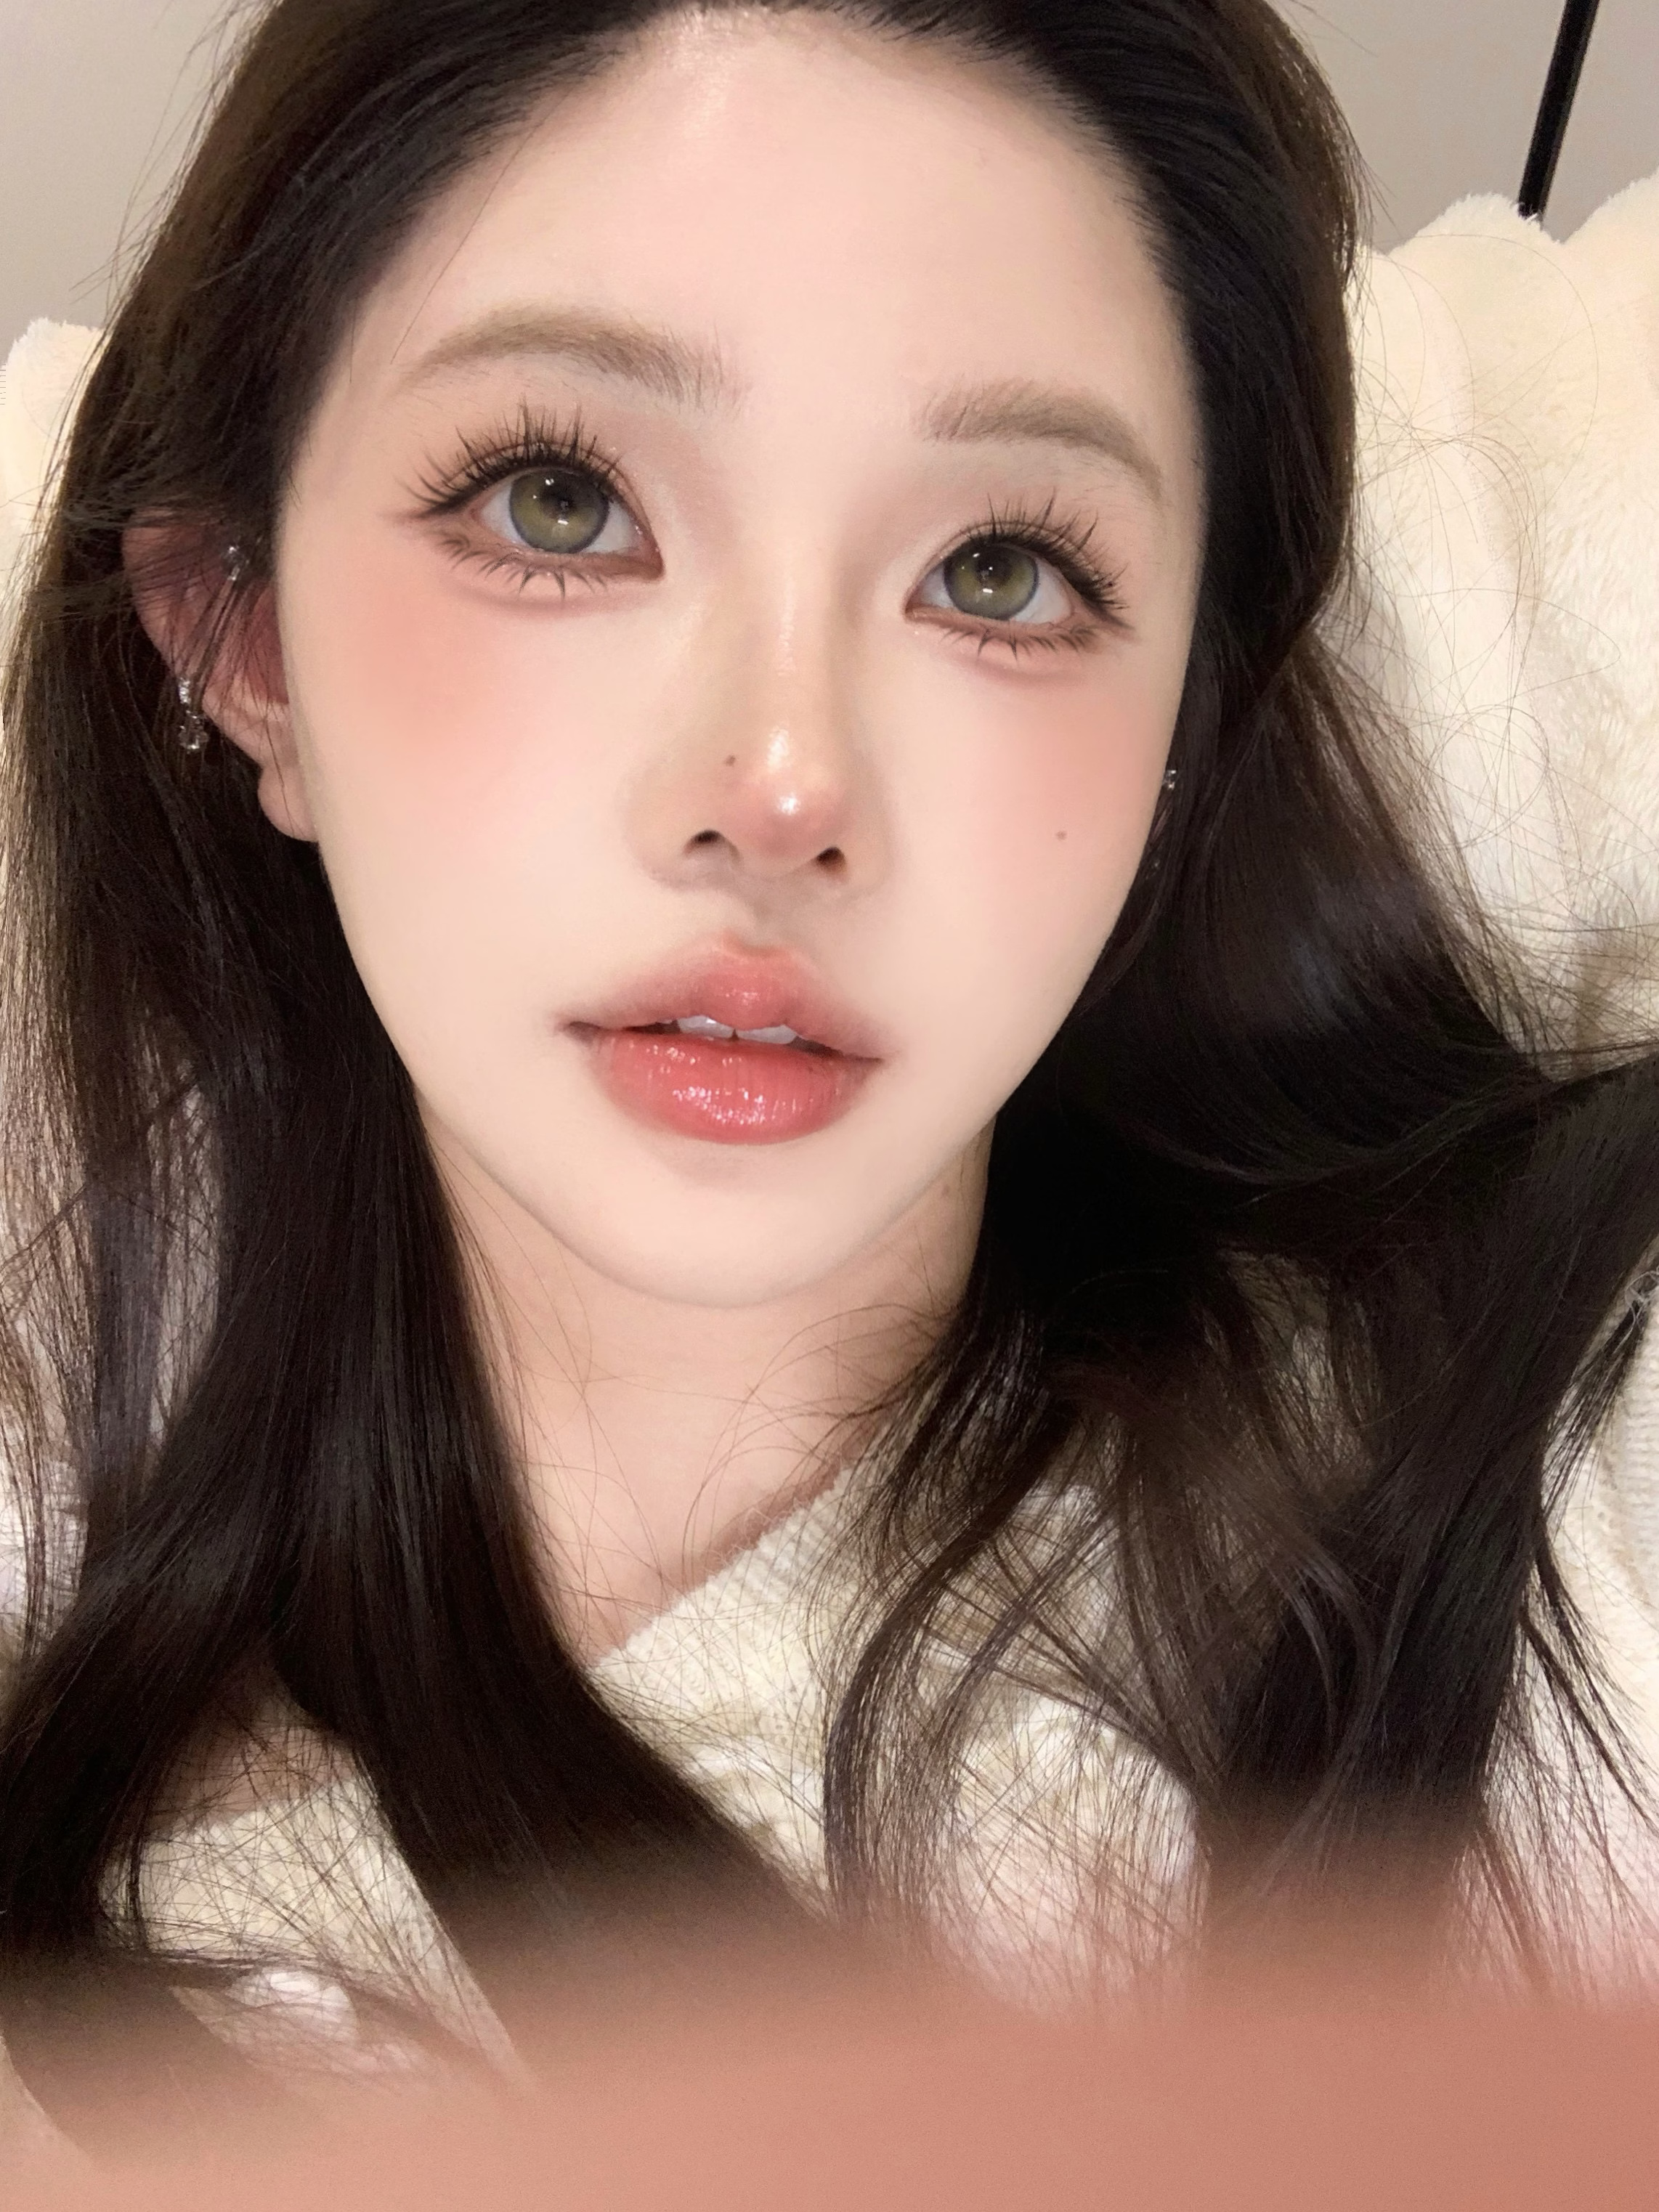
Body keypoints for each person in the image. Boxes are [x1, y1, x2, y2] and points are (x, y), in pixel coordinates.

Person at [3, 0, 1659, 2148]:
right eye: (561, 502)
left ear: (1179, 741)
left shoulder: (1571, 1454)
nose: (782, 788)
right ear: (241, 644)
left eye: (999, 571)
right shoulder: (124, 1958)